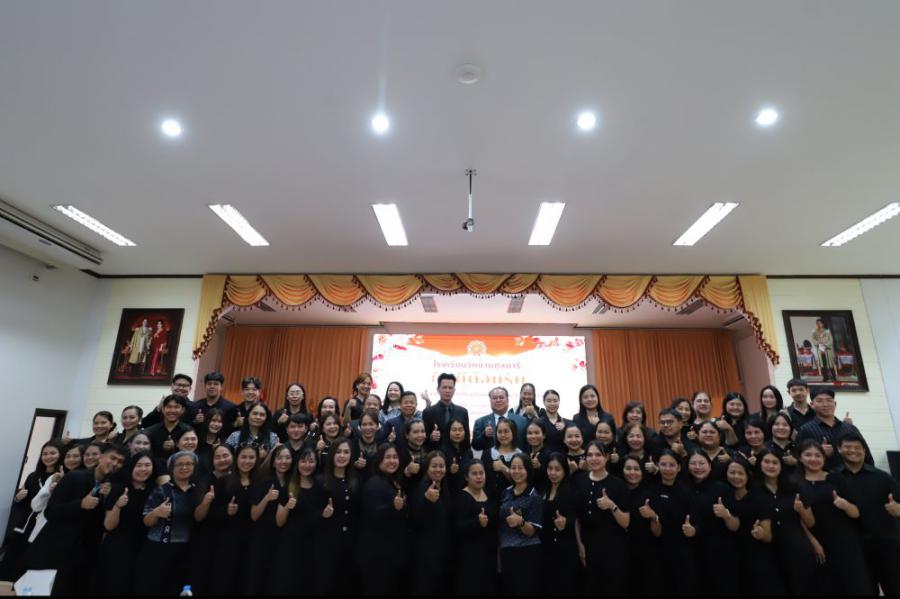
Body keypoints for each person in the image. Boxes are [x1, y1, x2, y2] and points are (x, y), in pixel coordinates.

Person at [26, 443, 127, 595]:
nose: (115, 464)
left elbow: (102, 525)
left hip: (82, 559)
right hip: (55, 552)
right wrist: (80, 504)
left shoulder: (111, 487)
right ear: (101, 457)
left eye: (120, 462)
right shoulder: (75, 477)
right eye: (112, 458)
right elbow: (51, 512)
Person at [797, 439, 873, 595]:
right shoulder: (796, 484)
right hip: (820, 542)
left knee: (857, 583)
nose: (813, 459)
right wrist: (814, 543)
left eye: (818, 455)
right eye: (808, 455)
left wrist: (845, 505)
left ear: (824, 458)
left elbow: (856, 513)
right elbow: (800, 521)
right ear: (800, 458)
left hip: (847, 540)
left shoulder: (836, 478)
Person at [834, 432, 900, 595]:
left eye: (857, 447)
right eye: (848, 447)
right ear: (839, 449)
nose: (853, 450)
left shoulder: (882, 477)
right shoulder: (833, 478)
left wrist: (898, 509)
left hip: (887, 545)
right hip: (854, 549)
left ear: (864, 450)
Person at [754, 448, 819, 595]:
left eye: (775, 462)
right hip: (771, 555)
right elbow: (766, 534)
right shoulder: (754, 491)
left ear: (781, 466)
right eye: (766, 462)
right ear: (759, 464)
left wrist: (801, 510)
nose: (771, 466)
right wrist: (759, 533)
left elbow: (810, 523)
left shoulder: (795, 487)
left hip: (798, 550)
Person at [136, 451, 199, 596]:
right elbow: (146, 521)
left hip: (186, 550)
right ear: (172, 468)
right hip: (158, 548)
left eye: (188, 464)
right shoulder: (161, 490)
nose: (184, 467)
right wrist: (156, 512)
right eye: (179, 464)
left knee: (179, 589)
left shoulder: (198, 490)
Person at [0, 440, 64, 581]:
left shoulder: (62, 477)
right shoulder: (33, 476)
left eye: (53, 453)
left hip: (44, 527)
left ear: (60, 454)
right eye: (45, 454)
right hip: (24, 526)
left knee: (29, 565)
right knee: (11, 562)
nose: (48, 456)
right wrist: (18, 498)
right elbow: (24, 503)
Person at [573, 441, 629, 595]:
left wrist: (612, 505)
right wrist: (580, 546)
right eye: (590, 455)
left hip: (612, 549)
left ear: (607, 457)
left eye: (598, 455)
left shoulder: (618, 484)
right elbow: (576, 519)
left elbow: (626, 522)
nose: (594, 458)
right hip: (587, 547)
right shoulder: (579, 481)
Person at [96, 451, 154, 595]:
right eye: (139, 465)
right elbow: (108, 526)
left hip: (143, 548)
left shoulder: (154, 490)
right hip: (118, 548)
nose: (143, 469)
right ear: (131, 467)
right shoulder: (118, 488)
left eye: (147, 465)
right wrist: (118, 505)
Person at [725, 457, 785, 595]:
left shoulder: (759, 498)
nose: (736, 477)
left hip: (757, 557)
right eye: (732, 473)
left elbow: (768, 536)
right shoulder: (723, 496)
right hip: (732, 558)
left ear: (748, 475)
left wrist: (761, 533)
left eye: (741, 473)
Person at [682, 450, 739, 596]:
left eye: (702, 463)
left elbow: (735, 526)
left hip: (720, 552)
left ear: (710, 465)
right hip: (692, 552)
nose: (698, 467)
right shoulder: (684, 488)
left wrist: (726, 515)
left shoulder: (723, 488)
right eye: (693, 463)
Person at [205, 444, 258, 595]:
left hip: (251, 539)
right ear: (236, 459)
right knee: (224, 580)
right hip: (227, 539)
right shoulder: (224, 481)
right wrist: (226, 511)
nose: (247, 461)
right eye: (243, 457)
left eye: (251, 457)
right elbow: (211, 513)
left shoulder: (259, 482)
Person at [274, 448, 328, 596]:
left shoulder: (321, 487)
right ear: (297, 463)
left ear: (317, 463)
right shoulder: (289, 487)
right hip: (291, 546)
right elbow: (279, 522)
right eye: (303, 461)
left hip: (313, 547)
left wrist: (325, 514)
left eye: (311, 461)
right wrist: (287, 507)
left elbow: (321, 518)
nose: (307, 465)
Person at [647, 449, 695, 595]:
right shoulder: (652, 491)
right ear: (657, 466)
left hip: (682, 552)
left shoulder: (687, 492)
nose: (667, 469)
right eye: (663, 464)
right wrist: (653, 517)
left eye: (672, 465)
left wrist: (693, 529)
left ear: (679, 467)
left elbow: (696, 522)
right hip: (657, 551)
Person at [316, 438, 359, 595]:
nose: (342, 456)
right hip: (326, 544)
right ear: (332, 455)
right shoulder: (321, 481)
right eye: (338, 452)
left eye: (346, 452)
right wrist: (322, 514)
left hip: (350, 544)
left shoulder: (355, 480)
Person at [246, 445, 292, 594]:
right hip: (262, 536)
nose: (284, 461)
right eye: (279, 458)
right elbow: (254, 515)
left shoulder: (292, 483)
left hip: (283, 538)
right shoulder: (264, 482)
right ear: (273, 462)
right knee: (258, 577)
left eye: (287, 458)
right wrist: (267, 498)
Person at [498, 453, 543, 596]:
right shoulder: (505, 492)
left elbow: (531, 532)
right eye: (513, 467)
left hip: (527, 552)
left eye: (521, 468)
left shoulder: (534, 496)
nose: (516, 471)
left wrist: (520, 521)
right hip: (507, 551)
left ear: (528, 470)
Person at [797, 387, 872, 470]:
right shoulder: (805, 429)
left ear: (835, 404)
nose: (825, 404)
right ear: (812, 405)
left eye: (829, 400)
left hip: (852, 475)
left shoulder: (850, 428)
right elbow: (800, 458)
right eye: (819, 401)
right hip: (823, 476)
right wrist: (819, 452)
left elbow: (867, 456)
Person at [453, 460, 498, 595]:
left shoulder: (490, 493)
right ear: (466, 477)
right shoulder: (462, 497)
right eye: (474, 474)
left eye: (481, 473)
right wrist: (476, 523)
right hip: (469, 556)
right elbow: (456, 528)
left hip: (489, 554)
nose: (479, 477)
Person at [410, 451, 451, 595]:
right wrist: (426, 500)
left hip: (441, 552)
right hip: (425, 555)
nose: (438, 469)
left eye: (441, 466)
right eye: (434, 466)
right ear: (427, 468)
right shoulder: (422, 488)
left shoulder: (444, 487)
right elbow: (415, 519)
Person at [621, 455, 662, 596]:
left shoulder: (650, 495)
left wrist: (653, 516)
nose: (632, 472)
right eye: (628, 468)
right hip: (620, 554)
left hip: (645, 555)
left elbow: (658, 532)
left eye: (636, 469)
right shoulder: (616, 492)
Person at [539, 453, 579, 596]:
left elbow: (577, 518)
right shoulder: (544, 488)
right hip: (546, 549)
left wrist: (566, 523)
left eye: (557, 469)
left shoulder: (571, 490)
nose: (553, 473)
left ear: (564, 471)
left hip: (565, 550)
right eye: (550, 468)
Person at [422, 373, 471, 450]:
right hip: (436, 454)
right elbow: (422, 438)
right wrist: (431, 437)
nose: (447, 391)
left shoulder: (463, 412)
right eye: (444, 387)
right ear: (438, 389)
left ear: (454, 390)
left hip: (457, 454)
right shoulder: (428, 412)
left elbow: (466, 439)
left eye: (450, 388)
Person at [472, 387, 528, 452]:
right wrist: (484, 435)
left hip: (517, 457)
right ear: (490, 401)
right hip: (490, 458)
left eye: (501, 397)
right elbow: (476, 446)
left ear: (507, 400)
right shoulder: (480, 422)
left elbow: (527, 445)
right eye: (495, 398)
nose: (498, 400)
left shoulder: (522, 421)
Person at [482, 418, 523, 498]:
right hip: (489, 500)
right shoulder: (487, 453)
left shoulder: (520, 455)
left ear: (513, 433)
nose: (503, 435)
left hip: (512, 500)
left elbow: (522, 483)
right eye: (499, 432)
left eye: (506, 431)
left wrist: (503, 468)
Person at [143, 395, 193, 460]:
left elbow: (191, 453)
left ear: (182, 410)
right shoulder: (151, 431)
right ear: (163, 409)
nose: (172, 410)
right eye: (169, 407)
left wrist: (176, 447)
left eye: (176, 407)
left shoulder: (188, 431)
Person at [440, 417, 473, 493]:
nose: (457, 433)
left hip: (467, 491)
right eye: (454, 430)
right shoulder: (442, 452)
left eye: (460, 430)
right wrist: (449, 471)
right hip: (449, 492)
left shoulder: (468, 451)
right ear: (448, 432)